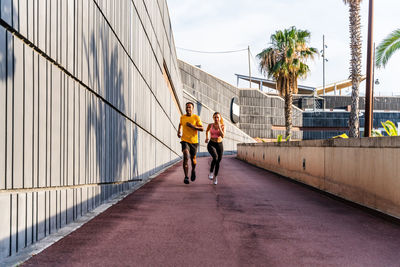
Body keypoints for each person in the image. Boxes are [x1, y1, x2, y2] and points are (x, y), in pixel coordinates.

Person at [177, 102, 204, 184]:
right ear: (185, 108)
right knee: (185, 156)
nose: (188, 109)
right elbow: (180, 124)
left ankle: (193, 170)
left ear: (192, 109)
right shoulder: (182, 117)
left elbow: (202, 128)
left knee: (193, 160)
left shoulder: (196, 117)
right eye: (187, 107)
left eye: (190, 107)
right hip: (185, 140)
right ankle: (186, 177)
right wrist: (179, 131)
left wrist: (193, 126)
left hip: (194, 142)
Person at [205, 112, 225, 185]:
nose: (216, 119)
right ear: (213, 118)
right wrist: (207, 137)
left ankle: (215, 177)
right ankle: (211, 172)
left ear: (220, 118)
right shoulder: (210, 125)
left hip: (219, 145)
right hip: (211, 143)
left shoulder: (223, 126)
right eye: (215, 117)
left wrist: (219, 127)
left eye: (218, 117)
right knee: (215, 157)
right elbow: (207, 131)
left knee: (217, 162)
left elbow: (223, 136)